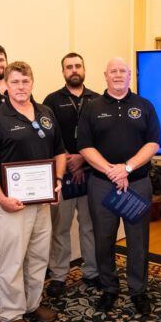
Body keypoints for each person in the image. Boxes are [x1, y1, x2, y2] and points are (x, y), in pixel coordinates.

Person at [0, 61, 66, 322]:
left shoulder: (46, 113)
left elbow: (59, 152)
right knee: (12, 261)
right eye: (15, 82)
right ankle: (12, 315)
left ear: (32, 83)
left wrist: (57, 181)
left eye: (25, 81)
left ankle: (32, 304)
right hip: (11, 205)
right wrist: (0, 198)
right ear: (7, 85)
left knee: (38, 256)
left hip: (42, 203)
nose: (20, 87)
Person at [78, 57, 161, 315]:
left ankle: (138, 291)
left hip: (137, 183)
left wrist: (127, 168)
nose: (117, 75)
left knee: (138, 241)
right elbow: (85, 146)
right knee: (103, 240)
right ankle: (109, 289)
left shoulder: (144, 106)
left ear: (129, 76)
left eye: (122, 71)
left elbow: (153, 143)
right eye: (112, 71)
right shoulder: (91, 107)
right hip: (102, 184)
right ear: (105, 75)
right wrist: (112, 171)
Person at [42, 53, 100, 297]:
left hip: (91, 174)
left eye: (78, 66)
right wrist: (69, 160)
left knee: (90, 227)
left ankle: (92, 272)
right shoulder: (51, 101)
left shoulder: (98, 100)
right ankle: (58, 275)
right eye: (69, 67)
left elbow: (102, 136)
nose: (74, 70)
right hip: (62, 175)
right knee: (60, 228)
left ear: (84, 69)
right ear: (63, 71)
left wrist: (82, 159)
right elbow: (48, 137)